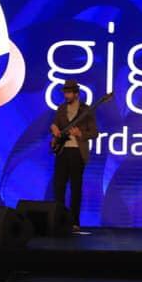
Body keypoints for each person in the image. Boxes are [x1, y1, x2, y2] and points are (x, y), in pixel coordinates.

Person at [50, 80, 98, 232]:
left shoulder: (86, 110)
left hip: (77, 152)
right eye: (65, 92)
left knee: (76, 187)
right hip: (62, 151)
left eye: (69, 92)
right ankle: (59, 220)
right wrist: (54, 129)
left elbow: (94, 133)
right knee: (59, 186)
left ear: (76, 94)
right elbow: (54, 124)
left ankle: (74, 221)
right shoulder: (61, 108)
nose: (66, 95)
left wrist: (80, 133)